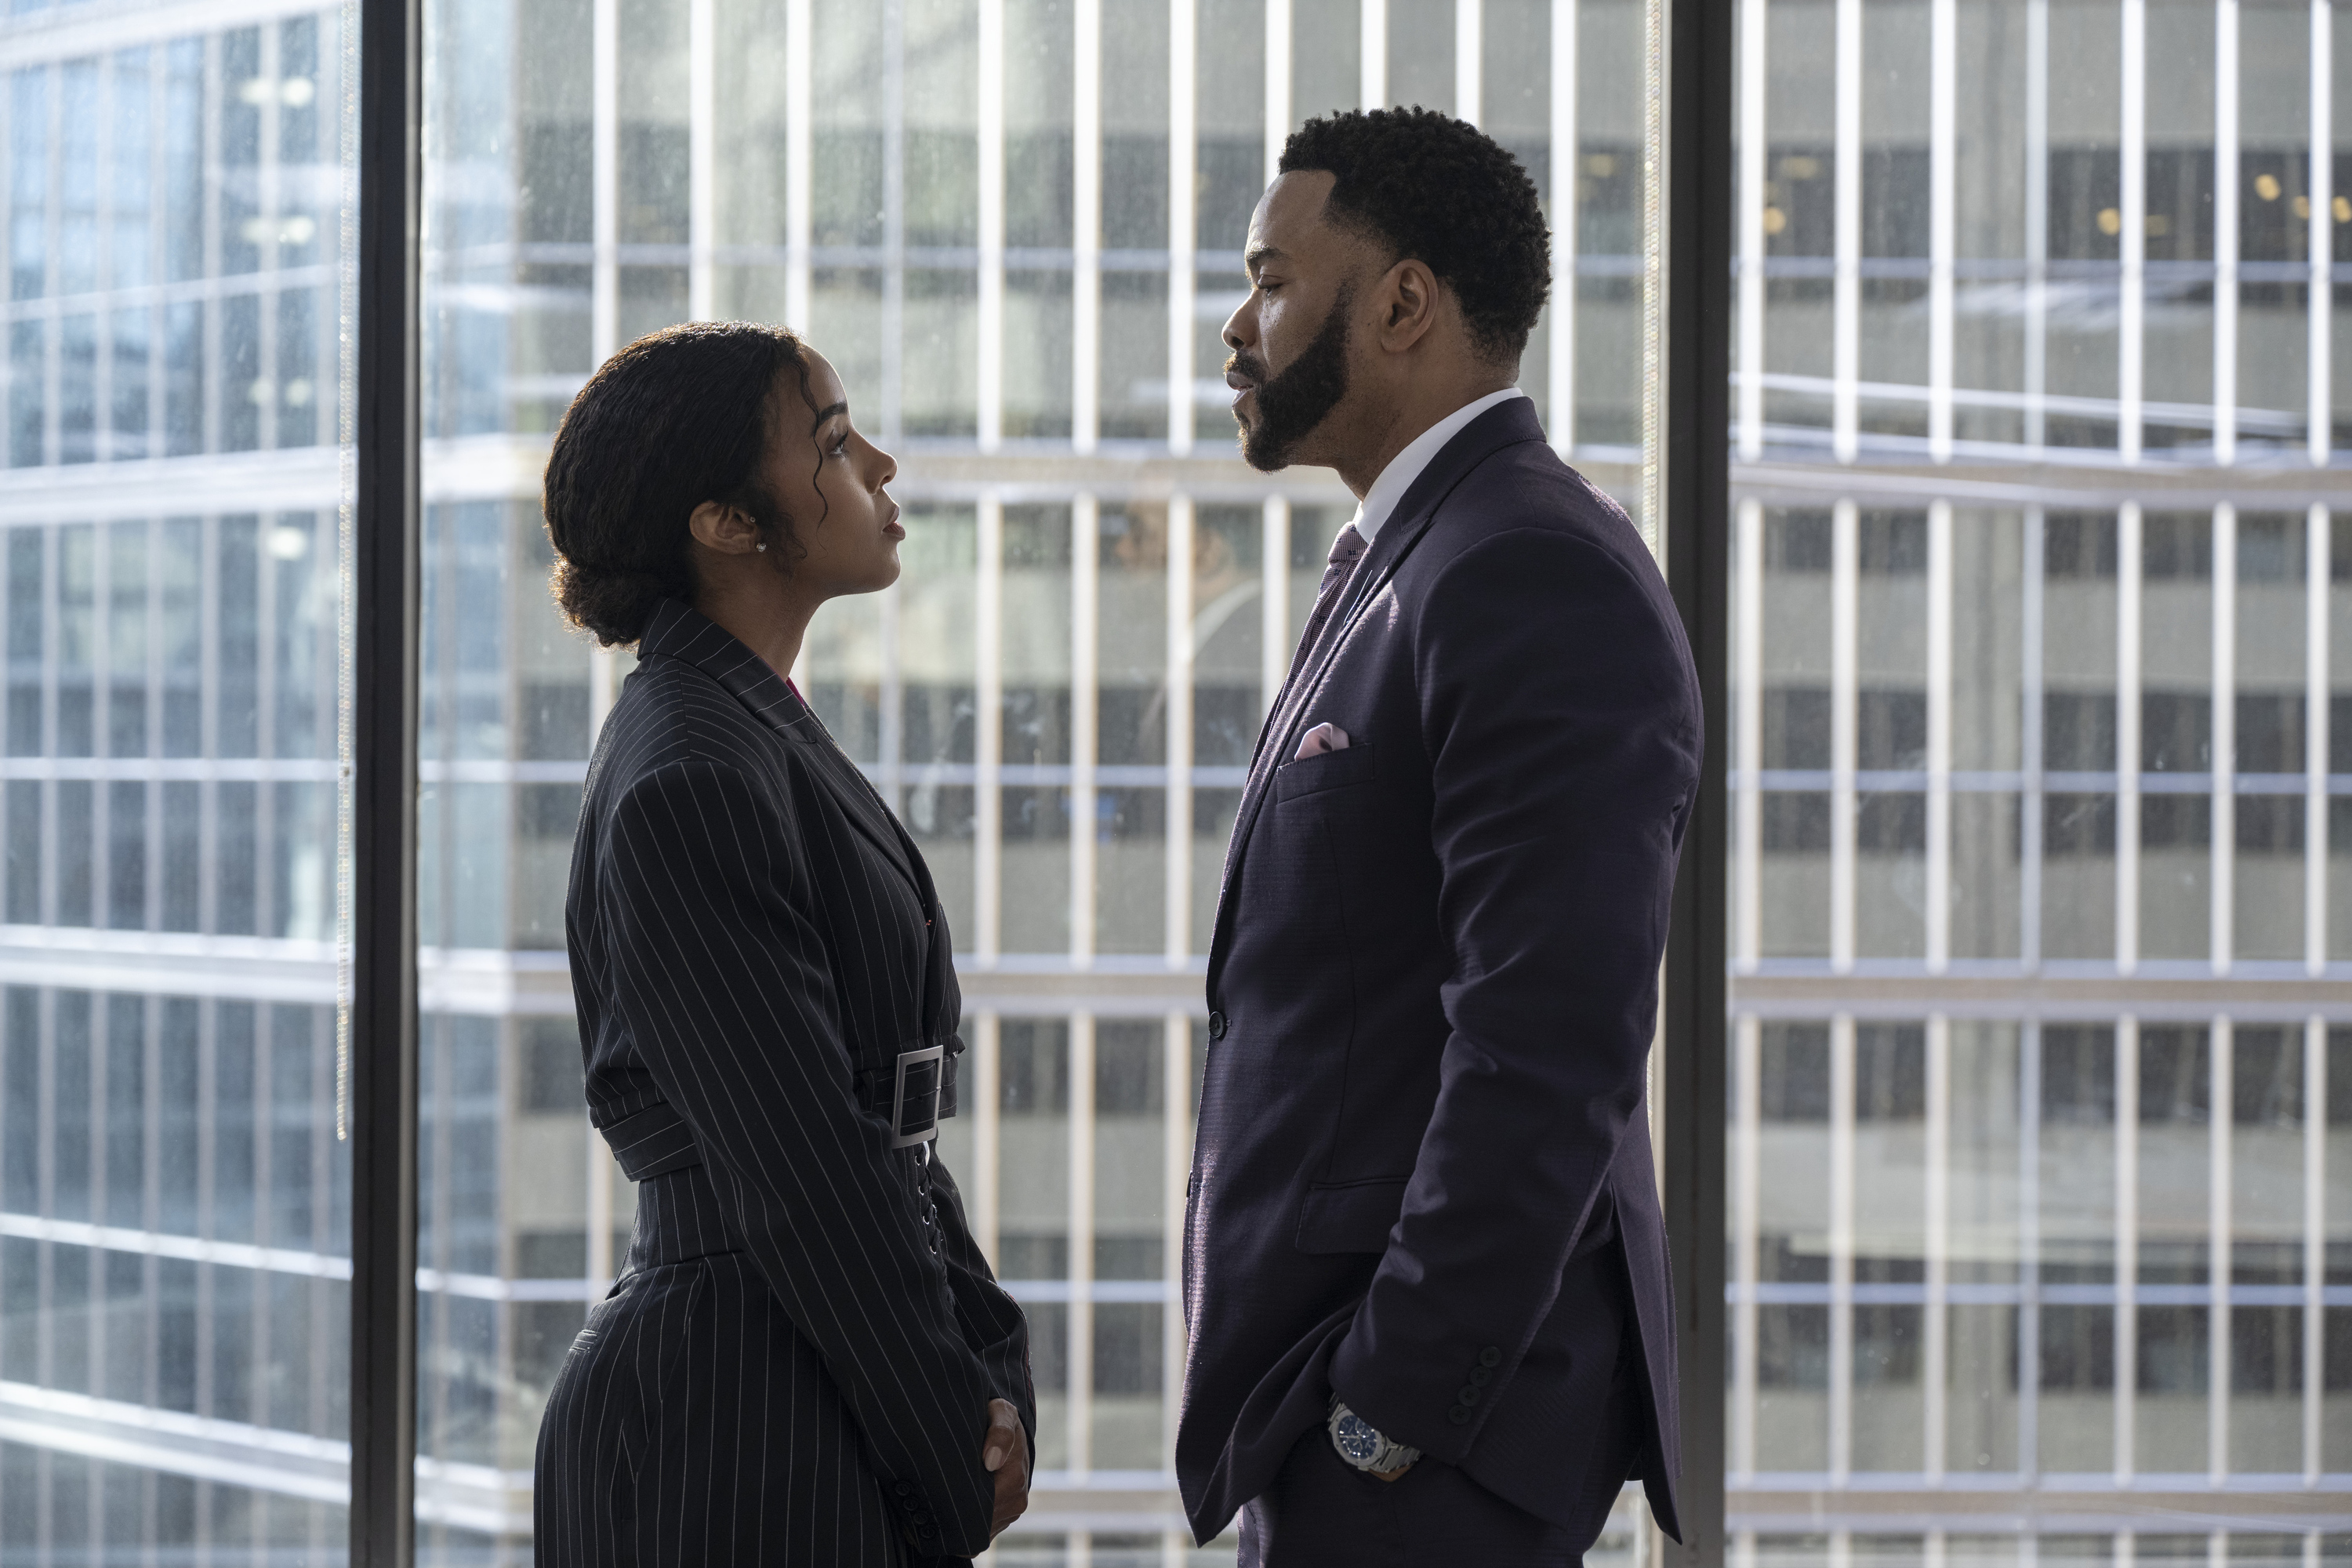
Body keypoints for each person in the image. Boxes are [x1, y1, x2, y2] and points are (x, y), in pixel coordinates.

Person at [1177, 108, 1700, 1565]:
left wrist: (1390, 1407)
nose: (1238, 325)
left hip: (1423, 1446)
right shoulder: (1415, 557)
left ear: (1404, 301)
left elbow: (1549, 1042)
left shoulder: (1523, 565)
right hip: (1351, 1418)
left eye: (1274, 280)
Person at [533, 321, 1033, 1566]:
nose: (882, 464)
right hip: (732, 1418)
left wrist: (987, 1369)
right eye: (831, 439)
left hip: (792, 1371)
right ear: (727, 523)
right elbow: (807, 1168)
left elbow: (880, 1132)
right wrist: (949, 1430)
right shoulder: (693, 769)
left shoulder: (737, 727)